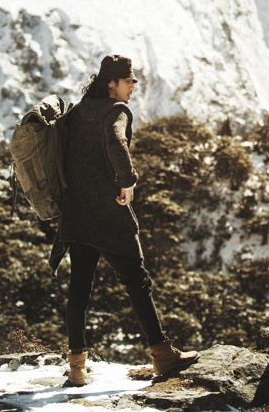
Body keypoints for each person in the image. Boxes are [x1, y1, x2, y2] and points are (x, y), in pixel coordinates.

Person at [49, 54, 199, 386]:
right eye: (128, 81)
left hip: (76, 213)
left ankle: (77, 367)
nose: (133, 86)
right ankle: (163, 355)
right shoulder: (116, 111)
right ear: (111, 83)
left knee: (79, 289)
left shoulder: (77, 112)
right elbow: (116, 142)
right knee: (137, 282)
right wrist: (127, 181)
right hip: (107, 214)